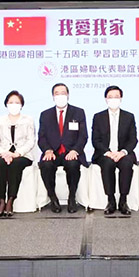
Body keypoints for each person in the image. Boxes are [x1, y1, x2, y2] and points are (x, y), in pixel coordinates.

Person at [38, 83, 88, 213]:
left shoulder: (78, 112)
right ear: (53, 96)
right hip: (53, 152)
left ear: (68, 95)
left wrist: (75, 150)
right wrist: (47, 150)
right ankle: (53, 198)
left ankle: (72, 197)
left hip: (70, 151)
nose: (60, 96)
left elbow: (83, 136)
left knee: (73, 164)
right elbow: (41, 137)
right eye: (57, 93)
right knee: (46, 165)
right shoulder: (45, 114)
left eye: (63, 93)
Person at [91, 85, 138, 216]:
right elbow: (96, 140)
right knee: (108, 163)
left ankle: (123, 200)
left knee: (127, 164)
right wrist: (108, 153)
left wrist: (122, 152)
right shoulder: (98, 117)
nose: (113, 99)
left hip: (123, 153)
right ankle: (111, 200)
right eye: (110, 97)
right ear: (106, 99)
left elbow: (133, 140)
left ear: (121, 98)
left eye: (116, 97)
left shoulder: (129, 117)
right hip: (104, 153)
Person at [0, 91, 36, 218]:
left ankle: (10, 199)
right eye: (11, 102)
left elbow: (30, 141)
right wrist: (4, 153)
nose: (14, 105)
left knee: (15, 165)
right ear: (6, 104)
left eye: (17, 102)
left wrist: (18, 153)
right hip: (3, 154)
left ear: (21, 105)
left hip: (23, 155)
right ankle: (1, 200)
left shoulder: (28, 120)